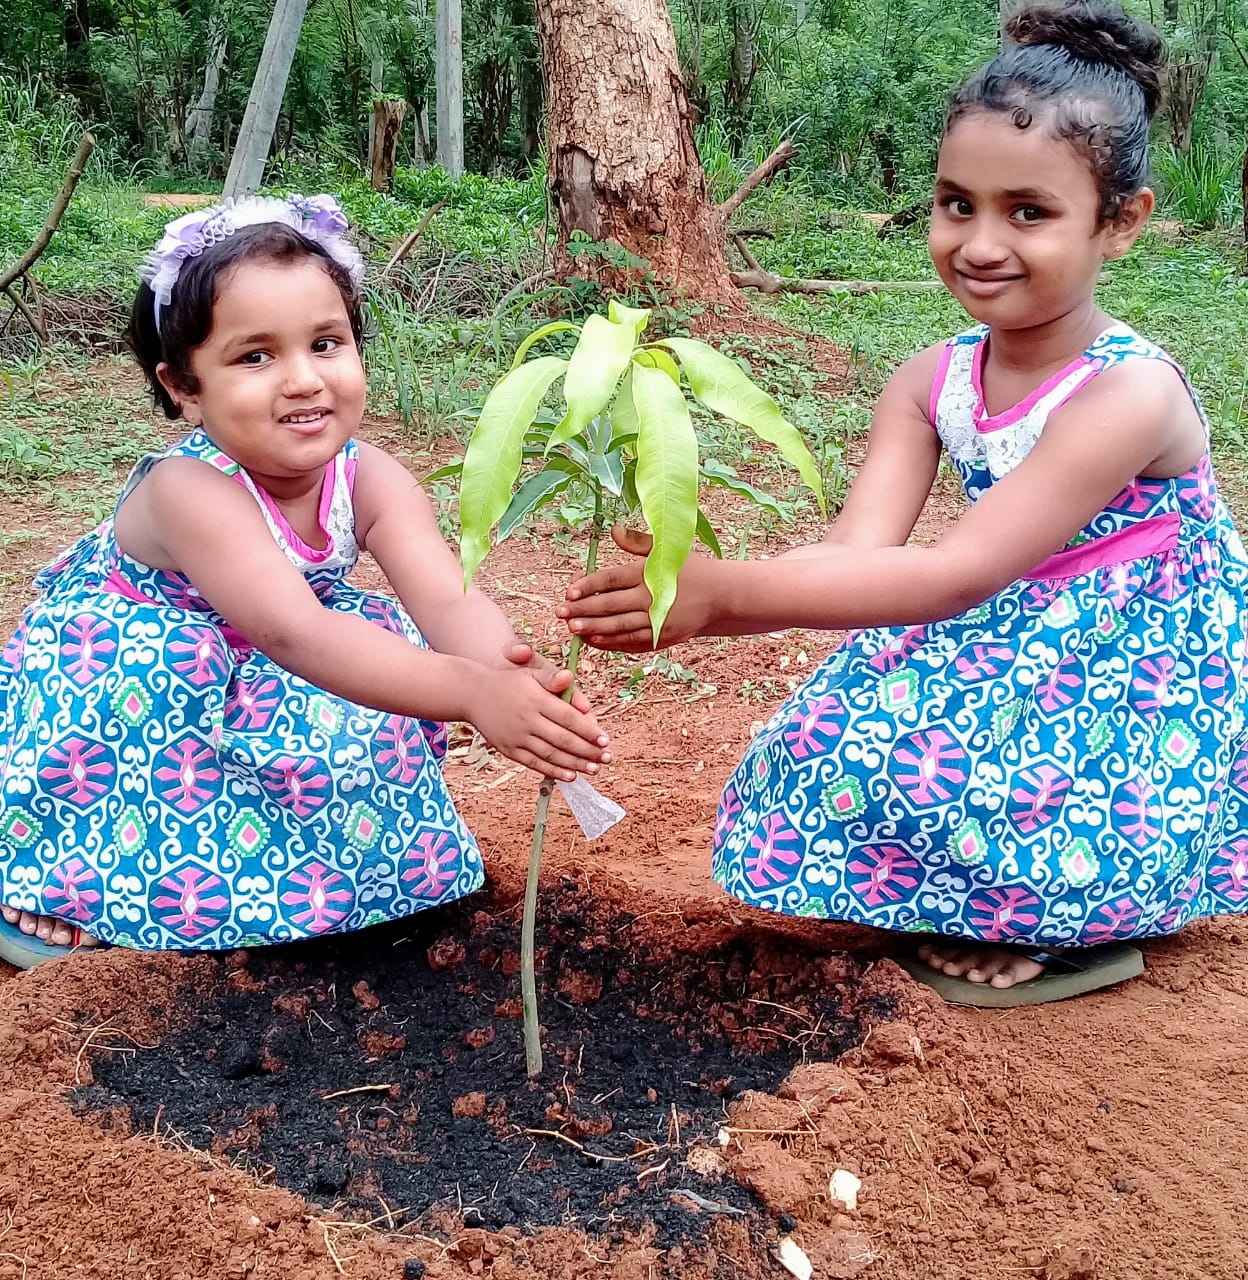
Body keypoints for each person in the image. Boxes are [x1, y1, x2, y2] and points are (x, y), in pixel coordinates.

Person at [558, 1, 1248, 1004]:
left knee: (1040, 794)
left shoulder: (1130, 393)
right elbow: (858, 550)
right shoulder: (931, 379)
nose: (980, 241)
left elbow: (953, 572)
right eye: (956, 204)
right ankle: (975, 892)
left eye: (1029, 212)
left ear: (1122, 223)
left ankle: (1075, 925)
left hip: (1133, 669)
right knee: (827, 745)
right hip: (1009, 627)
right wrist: (686, 582)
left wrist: (730, 598)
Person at [0, 194, 610, 967]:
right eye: (255, 357)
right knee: (168, 708)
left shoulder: (371, 476)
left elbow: (444, 597)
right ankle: (65, 880)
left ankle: (315, 888)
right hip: (135, 679)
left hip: (275, 658)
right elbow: (296, 630)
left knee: (376, 666)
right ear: (183, 386)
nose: (302, 380)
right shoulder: (187, 490)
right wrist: (469, 694)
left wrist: (508, 673)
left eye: (326, 343)